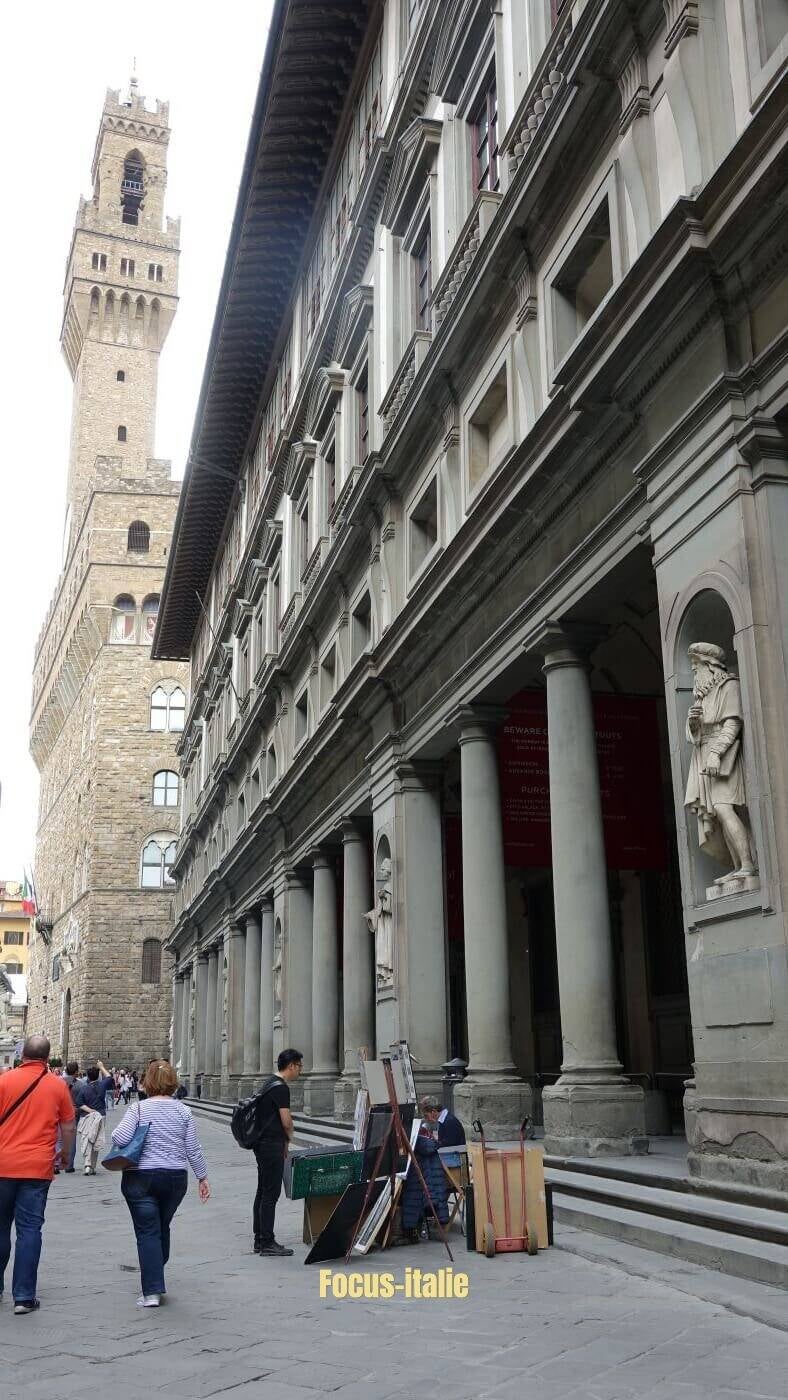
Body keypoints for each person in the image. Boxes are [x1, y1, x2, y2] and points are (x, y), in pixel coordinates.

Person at [111, 1059, 210, 1308]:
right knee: (161, 1225)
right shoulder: (184, 1111)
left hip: (141, 1177)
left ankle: (152, 1292)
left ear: (147, 1083)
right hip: (175, 1178)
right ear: (173, 1083)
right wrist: (202, 1177)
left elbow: (120, 1137)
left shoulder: (139, 1109)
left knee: (147, 1232)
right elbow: (193, 1149)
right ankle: (157, 1266)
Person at [0, 1034, 76, 1314]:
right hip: (37, 1167)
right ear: (46, 1058)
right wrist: (66, 1155)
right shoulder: (57, 1086)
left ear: (22, 1056)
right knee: (29, 1230)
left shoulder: (4, 1081)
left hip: (2, 1164)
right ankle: (23, 1297)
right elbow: (68, 1127)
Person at [252, 1048, 302, 1258]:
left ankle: (259, 1239)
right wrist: (290, 1137)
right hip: (272, 1145)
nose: (300, 1070)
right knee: (270, 1193)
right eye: (299, 1066)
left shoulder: (268, 1083)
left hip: (261, 1144)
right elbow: (286, 1120)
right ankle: (267, 1241)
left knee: (262, 1191)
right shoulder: (281, 1088)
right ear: (291, 1066)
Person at [400, 1115, 450, 1244]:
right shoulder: (432, 1146)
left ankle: (413, 1229)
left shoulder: (417, 1144)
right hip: (434, 1187)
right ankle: (440, 1230)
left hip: (420, 1181)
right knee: (433, 1197)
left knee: (412, 1197)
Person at [75, 1060, 114, 1174]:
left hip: (87, 1117)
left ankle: (87, 1164)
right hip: (100, 1116)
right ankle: (92, 1166)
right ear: (98, 1075)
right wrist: (101, 1067)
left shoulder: (84, 1088)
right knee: (96, 1140)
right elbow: (110, 1078)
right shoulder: (102, 1085)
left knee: (87, 1139)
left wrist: (89, 1110)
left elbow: (79, 1103)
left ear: (87, 1076)